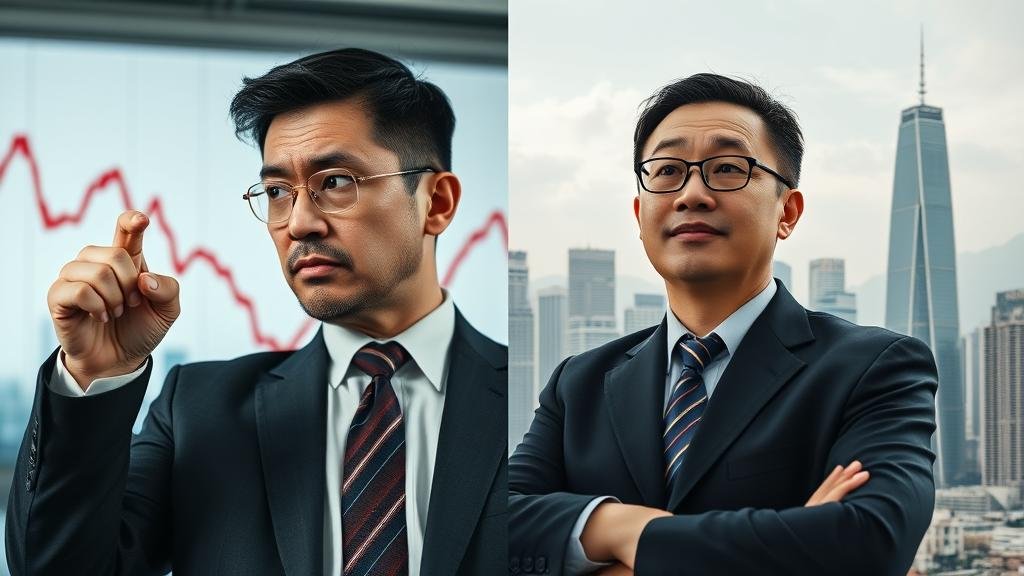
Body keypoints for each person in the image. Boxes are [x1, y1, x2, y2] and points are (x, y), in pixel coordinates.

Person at [5, 48, 507, 576]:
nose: (299, 222)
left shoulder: (548, 402)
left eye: (335, 182)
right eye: (276, 191)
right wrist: (93, 375)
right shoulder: (198, 411)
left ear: (437, 203)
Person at [508, 73, 937, 576]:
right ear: (639, 213)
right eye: (666, 171)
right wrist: (619, 524)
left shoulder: (873, 368)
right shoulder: (578, 383)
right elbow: (494, 523)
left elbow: (870, 541)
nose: (691, 194)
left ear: (788, 212)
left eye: (728, 168)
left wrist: (610, 548)